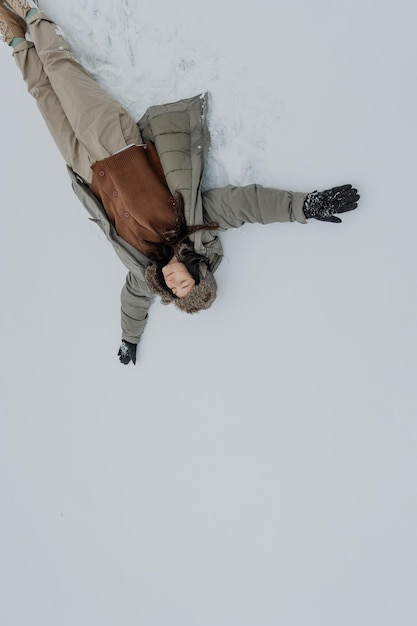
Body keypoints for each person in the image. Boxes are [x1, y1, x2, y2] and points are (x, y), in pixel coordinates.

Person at [0, 1, 360, 365]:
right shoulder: (195, 225)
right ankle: (30, 13)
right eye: (184, 285)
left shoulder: (146, 274)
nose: (173, 287)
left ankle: (15, 38)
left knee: (44, 97)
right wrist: (306, 206)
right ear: (196, 272)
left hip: (86, 169)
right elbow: (248, 204)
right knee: (63, 75)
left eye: (174, 293)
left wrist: (130, 339)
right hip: (116, 144)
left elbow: (134, 301)